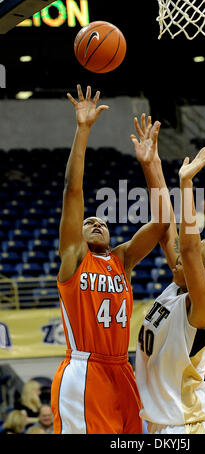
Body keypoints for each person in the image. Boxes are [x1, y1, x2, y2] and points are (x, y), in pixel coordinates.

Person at [51, 86, 169, 434]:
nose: (97, 221)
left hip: (122, 370)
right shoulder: (74, 259)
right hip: (85, 370)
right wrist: (83, 129)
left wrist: (150, 164)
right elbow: (73, 190)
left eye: (102, 221)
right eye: (89, 221)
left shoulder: (122, 261)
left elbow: (163, 221)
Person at [133, 114, 205, 434]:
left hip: (188, 423)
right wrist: (150, 163)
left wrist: (187, 183)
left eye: (191, 259)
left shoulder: (204, 308)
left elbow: (190, 249)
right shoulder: (177, 288)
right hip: (165, 420)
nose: (178, 257)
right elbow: (166, 229)